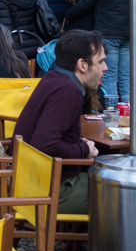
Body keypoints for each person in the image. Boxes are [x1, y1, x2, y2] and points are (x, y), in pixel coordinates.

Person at [14, 30, 107, 214]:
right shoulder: (67, 90)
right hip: (48, 190)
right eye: (101, 61)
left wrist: (79, 143)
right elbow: (45, 144)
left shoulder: (54, 79)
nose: (105, 68)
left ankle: (83, 244)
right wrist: (84, 150)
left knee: (107, 181)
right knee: (122, 195)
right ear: (82, 64)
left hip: (33, 181)